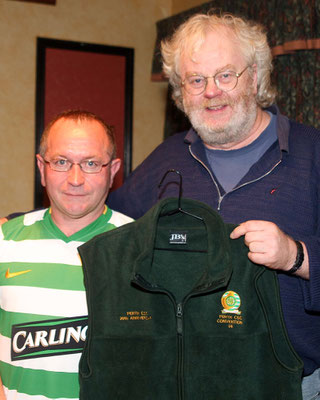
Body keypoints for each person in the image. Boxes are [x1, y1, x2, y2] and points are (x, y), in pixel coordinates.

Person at [107, 12, 320, 399]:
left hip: (290, 386)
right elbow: (105, 223)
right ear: (180, 91)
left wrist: (296, 255)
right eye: (196, 80)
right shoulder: (165, 159)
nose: (211, 91)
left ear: (255, 77)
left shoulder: (313, 154)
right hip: (179, 382)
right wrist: (19, 223)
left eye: (225, 75)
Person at [0, 110, 133, 400]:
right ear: (41, 168)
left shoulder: (140, 247)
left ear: (112, 171)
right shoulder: (4, 242)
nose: (75, 179)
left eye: (91, 163)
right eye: (61, 162)